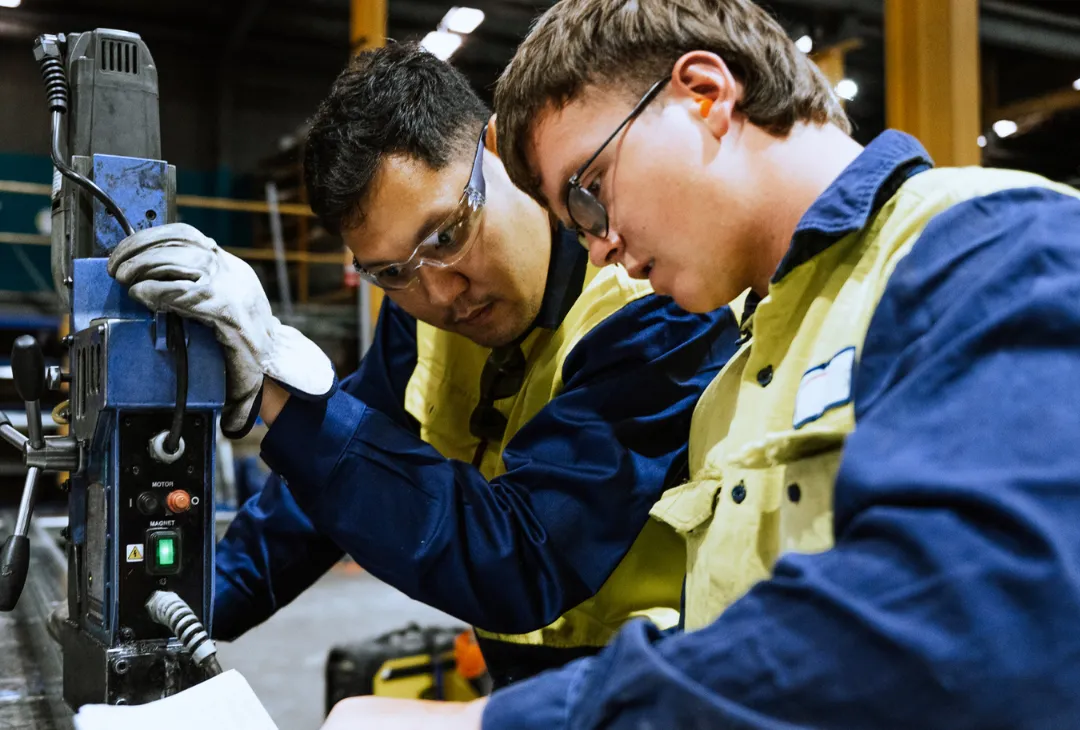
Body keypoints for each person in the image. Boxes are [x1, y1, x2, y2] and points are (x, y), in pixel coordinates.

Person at [317, 0, 1080, 727]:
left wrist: (496, 722)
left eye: (590, 192)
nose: (600, 247)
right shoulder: (739, 380)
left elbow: (973, 625)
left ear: (704, 95)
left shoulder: (994, 248)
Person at [106, 42, 740, 688]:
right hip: (522, 677)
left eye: (447, 234)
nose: (439, 292)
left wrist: (275, 381)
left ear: (501, 152)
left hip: (666, 683)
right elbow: (329, 489)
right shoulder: (419, 310)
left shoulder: (651, 309)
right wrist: (180, 608)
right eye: (390, 271)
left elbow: (523, 558)